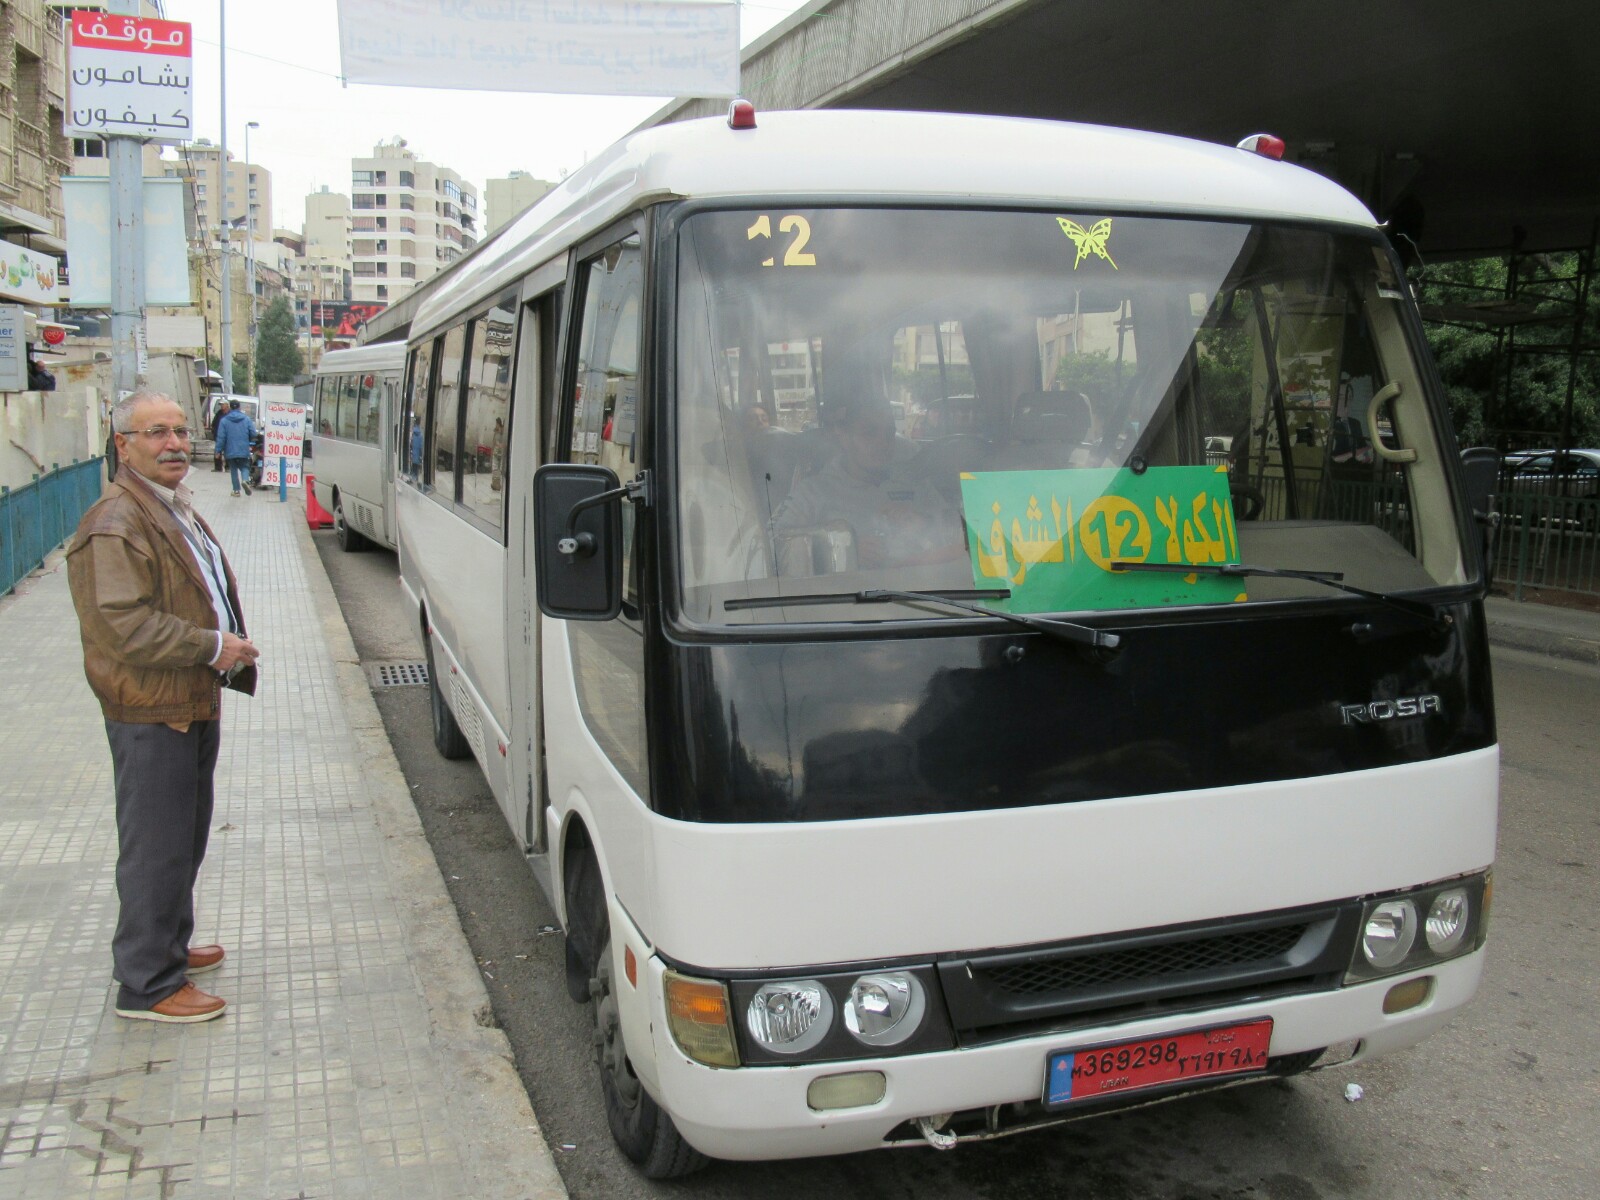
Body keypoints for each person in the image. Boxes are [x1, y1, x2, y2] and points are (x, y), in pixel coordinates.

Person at [66, 390, 260, 1024]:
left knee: (184, 836)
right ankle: (147, 984)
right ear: (123, 445)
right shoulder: (116, 521)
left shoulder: (163, 505)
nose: (175, 444)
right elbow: (121, 625)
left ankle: (168, 948)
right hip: (152, 711)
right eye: (156, 433)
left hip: (185, 700)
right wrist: (212, 645)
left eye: (179, 431)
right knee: (156, 845)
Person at [772, 399, 963, 570]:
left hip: (928, 593)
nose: (883, 443)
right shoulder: (813, 491)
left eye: (889, 433)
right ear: (844, 437)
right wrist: (839, 550)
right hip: (850, 602)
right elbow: (770, 543)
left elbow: (964, 534)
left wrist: (925, 523)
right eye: (869, 433)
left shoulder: (915, 482)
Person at [215, 399, 255, 496]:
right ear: (239, 407)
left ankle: (236, 491)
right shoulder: (246, 419)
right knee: (245, 467)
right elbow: (253, 433)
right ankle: (245, 480)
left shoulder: (224, 420)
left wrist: (218, 451)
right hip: (243, 448)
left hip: (230, 449)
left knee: (233, 469)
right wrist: (248, 440)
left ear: (230, 407)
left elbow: (221, 437)